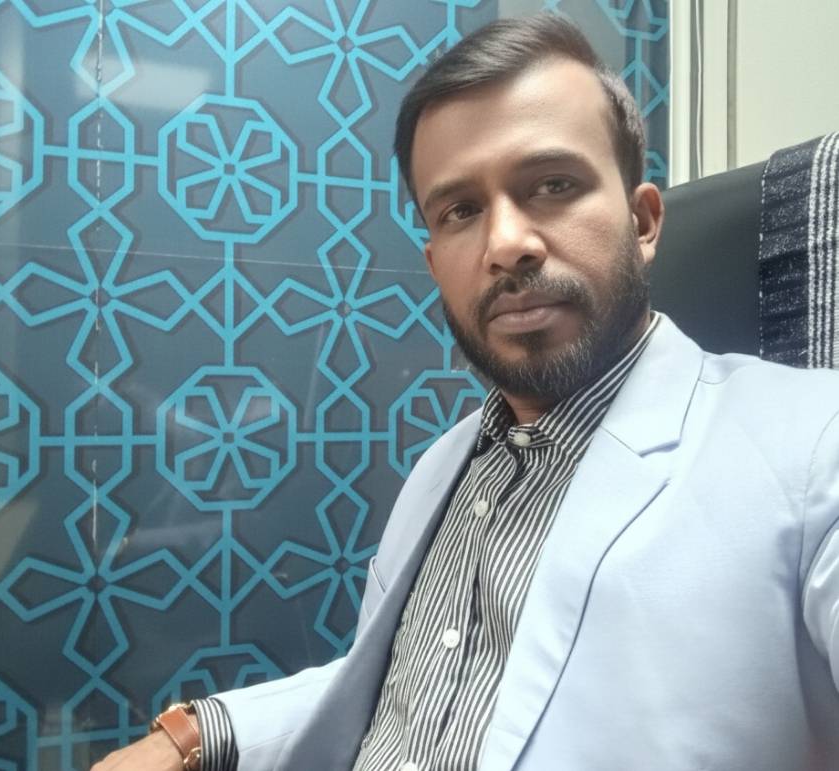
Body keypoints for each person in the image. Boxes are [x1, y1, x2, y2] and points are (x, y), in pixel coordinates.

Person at [95, 13, 839, 771]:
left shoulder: (812, 446)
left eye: (552, 185)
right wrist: (193, 735)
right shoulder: (446, 465)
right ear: (432, 262)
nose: (505, 243)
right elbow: (396, 686)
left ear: (644, 221)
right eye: (460, 211)